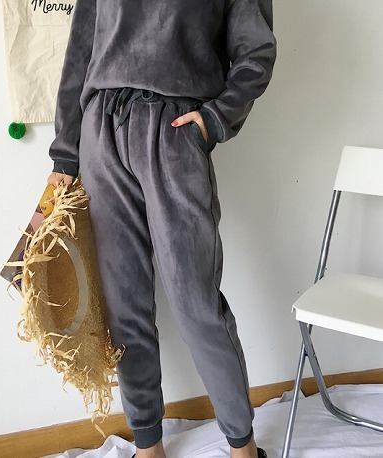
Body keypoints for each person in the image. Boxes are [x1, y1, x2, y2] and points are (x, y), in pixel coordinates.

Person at [47, 1, 277, 457]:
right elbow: (81, 50)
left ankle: (242, 446)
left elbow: (256, 50)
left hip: (174, 131)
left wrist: (215, 119)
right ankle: (148, 445)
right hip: (101, 133)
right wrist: (66, 153)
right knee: (123, 305)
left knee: (197, 303)